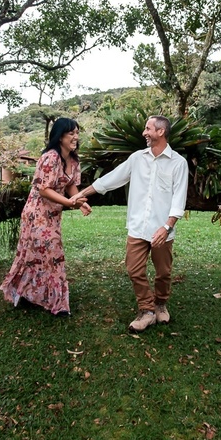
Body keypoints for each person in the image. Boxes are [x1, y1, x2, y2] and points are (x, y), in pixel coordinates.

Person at [71, 115, 188, 333]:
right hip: (137, 227)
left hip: (162, 230)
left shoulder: (178, 163)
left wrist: (167, 226)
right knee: (134, 269)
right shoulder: (137, 158)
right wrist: (81, 194)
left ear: (160, 132)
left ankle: (160, 303)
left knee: (163, 272)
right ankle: (146, 310)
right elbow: (111, 179)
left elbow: (179, 198)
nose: (144, 132)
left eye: (148, 128)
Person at [0, 117, 91, 316]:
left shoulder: (74, 160)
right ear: (60, 136)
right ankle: (57, 304)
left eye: (77, 133)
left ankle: (27, 293)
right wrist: (68, 203)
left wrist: (81, 202)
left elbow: (70, 186)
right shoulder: (50, 157)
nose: (76, 137)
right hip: (36, 213)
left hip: (53, 214)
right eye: (71, 133)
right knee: (50, 253)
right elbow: (43, 189)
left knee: (38, 255)